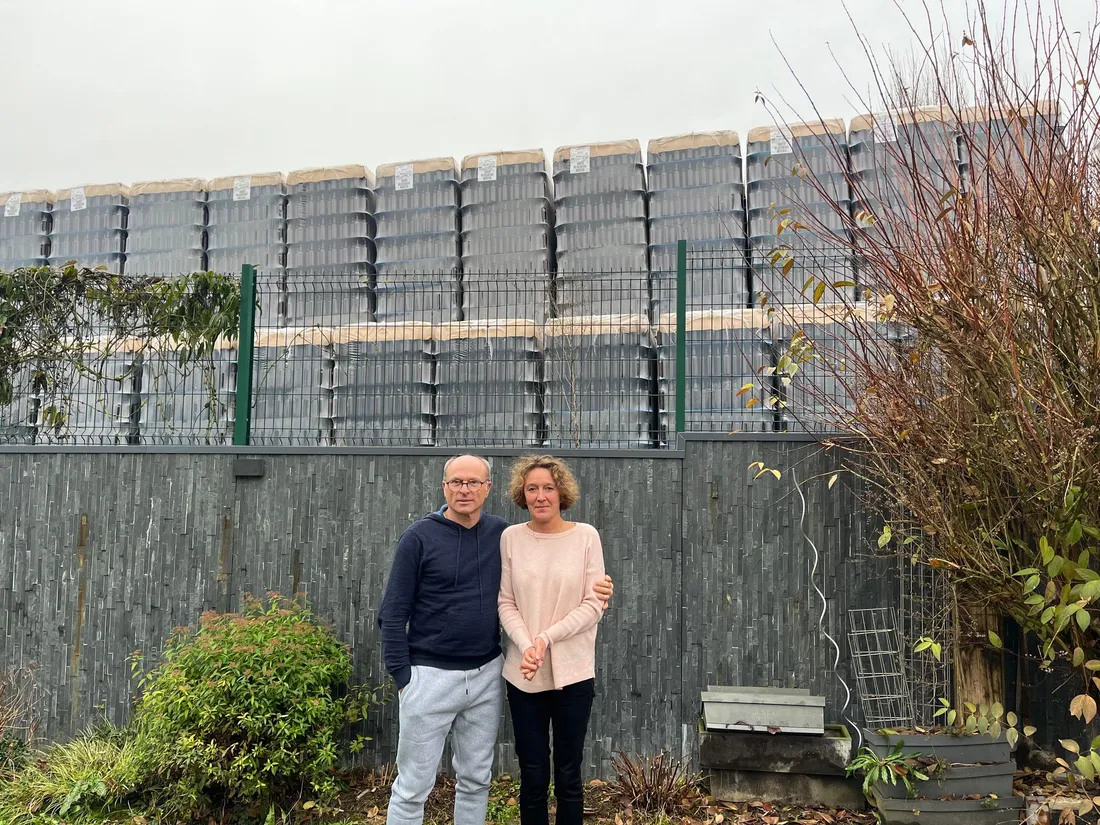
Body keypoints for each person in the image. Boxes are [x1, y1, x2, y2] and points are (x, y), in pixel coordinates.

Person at [378, 454, 613, 825]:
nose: (464, 490)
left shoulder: (500, 534)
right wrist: (404, 680)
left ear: (488, 488)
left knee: (476, 781)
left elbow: (582, 595)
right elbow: (392, 614)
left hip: (487, 674)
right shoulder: (420, 538)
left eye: (474, 482)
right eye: (456, 482)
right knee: (412, 786)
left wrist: (600, 591)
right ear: (444, 487)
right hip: (430, 676)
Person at [497, 454, 606, 825]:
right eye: (532, 488)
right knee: (531, 774)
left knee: (569, 774)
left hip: (574, 673)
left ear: (562, 492)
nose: (541, 495)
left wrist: (544, 638)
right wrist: (527, 645)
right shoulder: (511, 538)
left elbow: (594, 603)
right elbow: (506, 601)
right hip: (524, 673)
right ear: (522, 495)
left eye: (548, 487)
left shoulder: (586, 536)